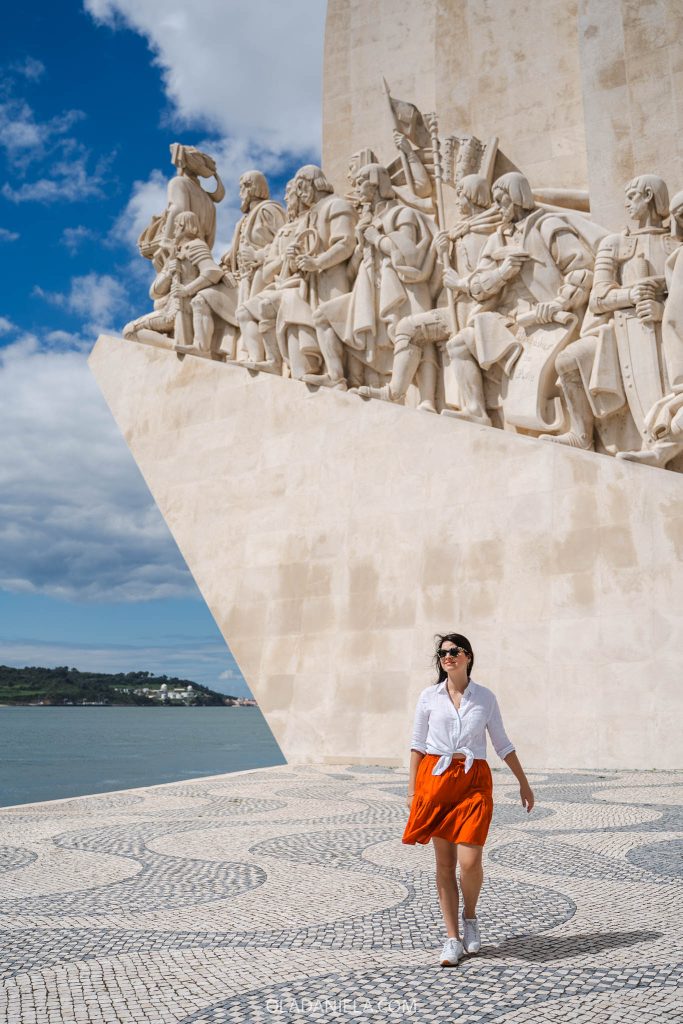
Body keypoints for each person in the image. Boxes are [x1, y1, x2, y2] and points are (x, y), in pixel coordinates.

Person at [403, 633, 535, 967]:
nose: (448, 656)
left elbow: (502, 743)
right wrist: (412, 791)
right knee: (444, 865)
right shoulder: (428, 697)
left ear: (468, 656)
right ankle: (452, 939)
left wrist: (523, 782)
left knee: (470, 862)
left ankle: (471, 916)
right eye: (443, 653)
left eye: (454, 651)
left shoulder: (485, 698)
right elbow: (418, 745)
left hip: (473, 782)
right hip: (435, 780)